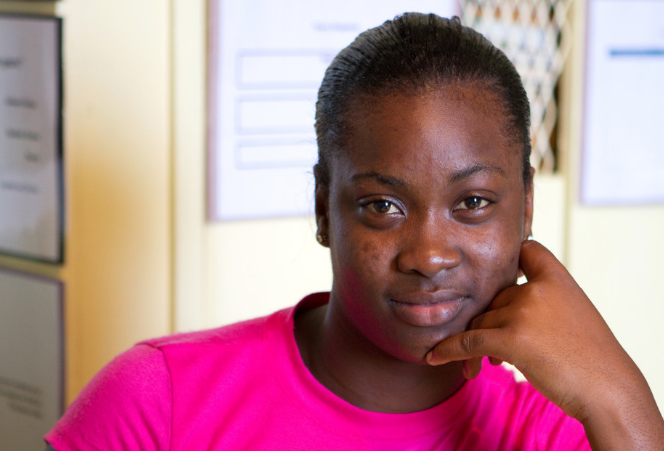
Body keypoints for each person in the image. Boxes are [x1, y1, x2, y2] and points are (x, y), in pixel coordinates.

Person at [45, 13, 664, 450]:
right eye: (382, 206)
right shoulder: (161, 402)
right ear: (323, 209)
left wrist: (619, 396)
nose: (428, 255)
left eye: (473, 202)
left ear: (525, 208)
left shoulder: (566, 434)